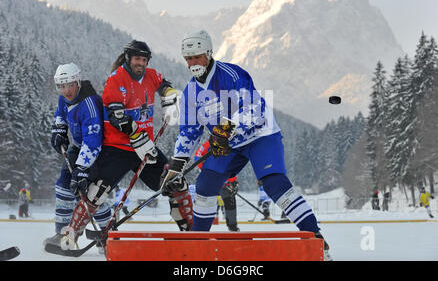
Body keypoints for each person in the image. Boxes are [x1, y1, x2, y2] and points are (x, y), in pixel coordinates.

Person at [160, 30, 331, 259]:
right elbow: (189, 132)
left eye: (197, 56)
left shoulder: (231, 74)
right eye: (188, 59)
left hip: (261, 136)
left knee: (275, 185)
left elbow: (253, 109)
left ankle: (316, 237)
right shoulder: (191, 91)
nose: (193, 63)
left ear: (209, 54)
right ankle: (198, 244)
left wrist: (225, 130)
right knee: (205, 185)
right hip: (228, 145)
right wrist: (176, 166)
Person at [60, 40, 192, 249]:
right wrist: (136, 134)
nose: (140, 63)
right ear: (129, 58)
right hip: (117, 147)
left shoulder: (151, 75)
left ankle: (192, 233)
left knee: (175, 182)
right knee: (96, 191)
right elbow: (116, 115)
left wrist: (170, 95)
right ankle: (71, 235)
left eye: (144, 59)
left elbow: (163, 84)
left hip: (145, 147)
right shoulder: (116, 79)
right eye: (137, 58)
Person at [44, 63, 111, 247]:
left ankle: (108, 236)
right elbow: (60, 115)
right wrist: (59, 130)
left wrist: (82, 168)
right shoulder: (63, 100)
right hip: (77, 147)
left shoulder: (89, 103)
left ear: (78, 82)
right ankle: (63, 234)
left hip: (96, 152)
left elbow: (93, 140)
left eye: (70, 85)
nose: (66, 90)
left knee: (92, 195)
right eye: (62, 86)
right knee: (64, 188)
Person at [194, 141, 240, 231]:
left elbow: (235, 164)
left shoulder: (234, 144)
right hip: (210, 179)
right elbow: (197, 156)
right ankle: (203, 229)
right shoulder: (208, 143)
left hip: (227, 182)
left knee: (230, 202)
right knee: (208, 203)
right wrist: (207, 171)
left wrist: (232, 181)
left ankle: (233, 227)